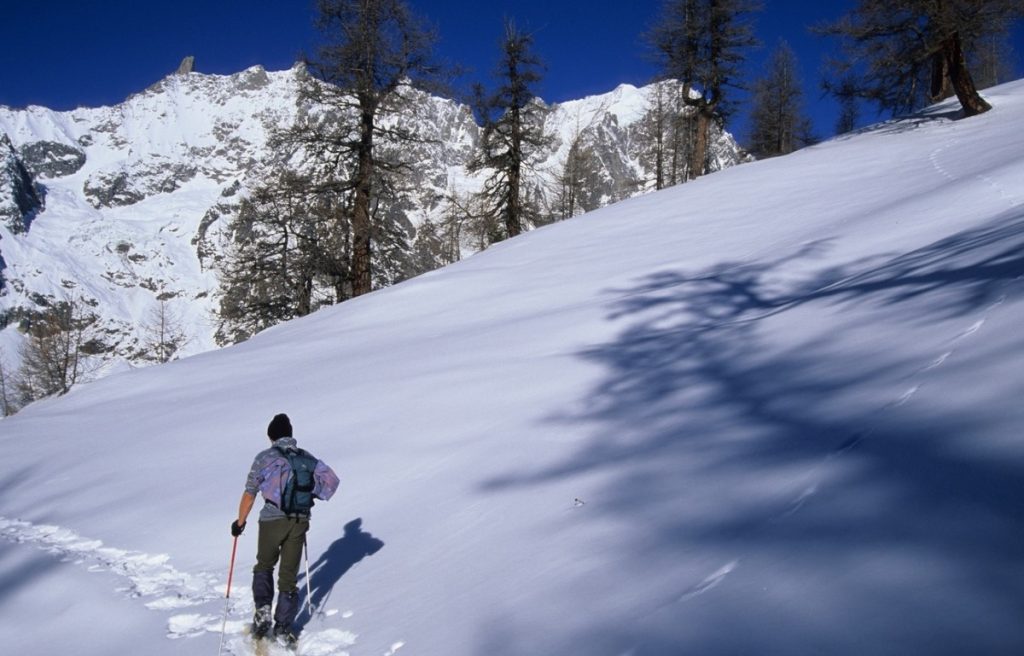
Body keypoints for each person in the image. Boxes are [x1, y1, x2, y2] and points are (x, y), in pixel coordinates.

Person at [231, 413, 339, 645]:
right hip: (299, 521)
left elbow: (250, 493)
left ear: (271, 435)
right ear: (290, 435)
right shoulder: (306, 458)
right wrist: (312, 493)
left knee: (264, 566)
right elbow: (332, 481)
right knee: (288, 578)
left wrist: (240, 523)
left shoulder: (265, 458)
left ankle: (263, 613)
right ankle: (283, 628)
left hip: (271, 520)